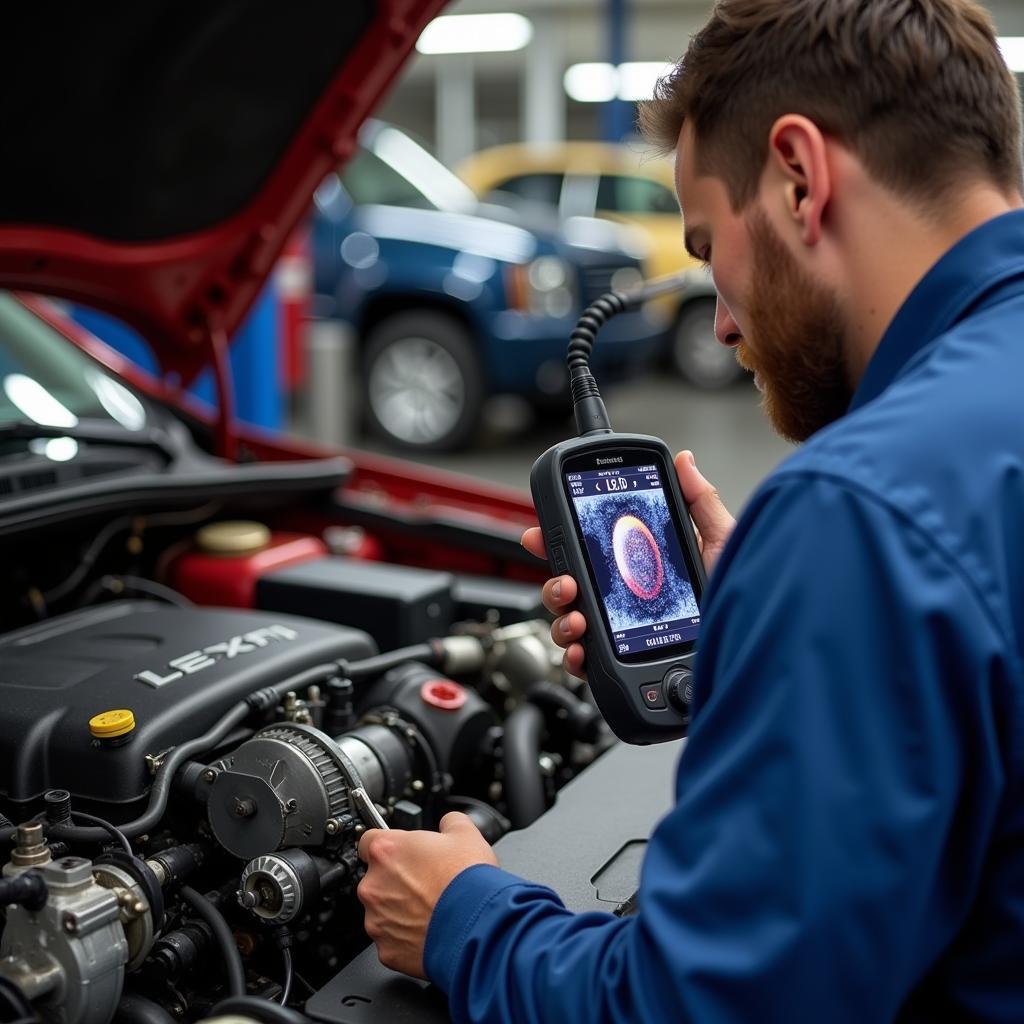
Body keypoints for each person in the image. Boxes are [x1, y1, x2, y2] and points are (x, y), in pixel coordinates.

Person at [356, 0, 1024, 1019]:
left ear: (799, 177)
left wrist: (460, 918)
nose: (718, 321)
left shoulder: (859, 513)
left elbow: (700, 1005)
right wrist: (779, 626)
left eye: (710, 246)